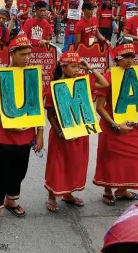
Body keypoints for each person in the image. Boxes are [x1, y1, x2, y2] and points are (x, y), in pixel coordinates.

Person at [0, 35, 43, 226]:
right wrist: (6, 123)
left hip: (27, 136)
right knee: (2, 171)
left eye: (29, 54)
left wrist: (40, 134)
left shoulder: (33, 75)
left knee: (20, 170)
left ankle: (11, 199)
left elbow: (37, 106)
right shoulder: (1, 76)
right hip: (6, 136)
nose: (27, 58)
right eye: (23, 54)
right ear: (12, 54)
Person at [44, 51, 109, 213]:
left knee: (75, 164)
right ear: (63, 68)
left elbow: (104, 83)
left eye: (78, 67)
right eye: (73, 67)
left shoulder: (83, 82)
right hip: (61, 135)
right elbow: (50, 114)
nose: (77, 70)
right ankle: (52, 196)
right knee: (57, 165)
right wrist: (59, 131)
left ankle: (68, 194)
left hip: (79, 132)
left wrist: (89, 67)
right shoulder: (54, 86)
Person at [93, 38, 138, 206]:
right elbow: (99, 107)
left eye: (132, 56)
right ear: (117, 58)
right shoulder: (108, 76)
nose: (130, 60)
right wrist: (115, 125)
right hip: (111, 125)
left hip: (130, 124)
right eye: (126, 56)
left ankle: (122, 189)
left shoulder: (135, 73)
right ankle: (108, 191)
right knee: (110, 159)